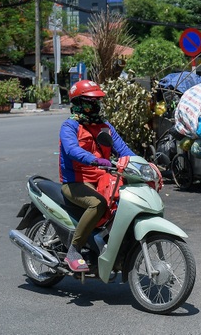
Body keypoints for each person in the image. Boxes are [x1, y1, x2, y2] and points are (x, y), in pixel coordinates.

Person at [59, 80, 134, 272]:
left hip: (103, 177)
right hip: (76, 181)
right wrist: (96, 160)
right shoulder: (69, 126)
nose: (94, 105)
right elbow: (72, 150)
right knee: (98, 204)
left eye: (97, 100)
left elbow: (123, 149)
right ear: (77, 102)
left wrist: (143, 164)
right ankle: (74, 250)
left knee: (124, 202)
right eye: (89, 101)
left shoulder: (104, 126)